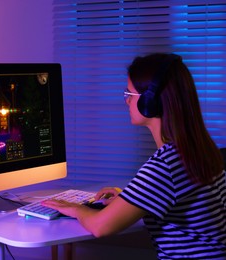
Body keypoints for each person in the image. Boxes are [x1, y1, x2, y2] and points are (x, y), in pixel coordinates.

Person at [42, 53, 226, 259]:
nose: (127, 101)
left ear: (150, 101)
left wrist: (75, 209)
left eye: (130, 94)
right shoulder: (201, 148)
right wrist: (127, 200)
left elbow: (101, 227)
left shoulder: (166, 165)